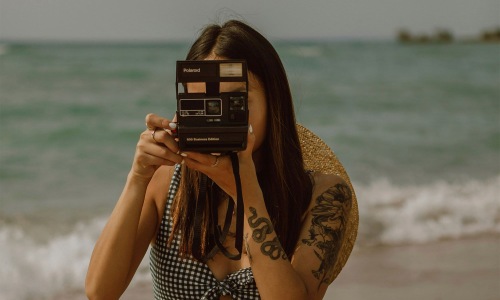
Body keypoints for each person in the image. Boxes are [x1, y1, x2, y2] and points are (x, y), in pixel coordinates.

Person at [86, 20, 358, 300]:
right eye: (205, 101)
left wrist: (248, 194)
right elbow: (100, 292)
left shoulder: (322, 196)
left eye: (236, 100)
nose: (220, 115)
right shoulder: (166, 183)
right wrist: (137, 178)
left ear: (273, 101)